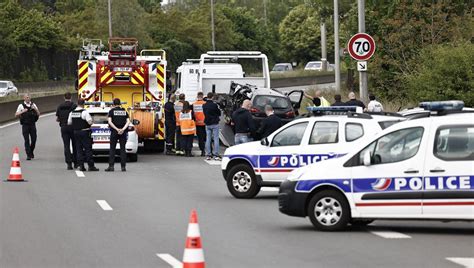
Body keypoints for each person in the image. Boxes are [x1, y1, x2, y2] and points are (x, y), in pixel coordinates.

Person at [67, 98, 99, 172]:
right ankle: (91, 166)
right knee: (88, 149)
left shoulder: (72, 112)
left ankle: (81, 166)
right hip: (85, 132)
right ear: (83, 104)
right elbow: (90, 122)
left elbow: (69, 123)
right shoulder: (84, 112)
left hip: (76, 132)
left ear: (77, 103)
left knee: (79, 149)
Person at [105, 98, 130, 172]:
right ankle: (123, 167)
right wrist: (122, 129)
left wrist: (116, 129)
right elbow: (128, 121)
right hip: (123, 132)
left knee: (112, 149)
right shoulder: (124, 111)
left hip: (114, 132)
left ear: (113, 104)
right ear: (120, 103)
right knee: (122, 149)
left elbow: (110, 122)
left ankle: (111, 166)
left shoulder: (111, 111)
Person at [56, 92, 77, 169]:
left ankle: (69, 164)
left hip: (64, 127)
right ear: (71, 97)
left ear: (64, 97)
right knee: (75, 145)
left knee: (66, 146)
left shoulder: (60, 106)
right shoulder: (74, 106)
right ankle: (76, 162)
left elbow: (57, 119)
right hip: (73, 127)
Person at [15, 94, 40, 160]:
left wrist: (35, 109)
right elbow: (16, 114)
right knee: (26, 140)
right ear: (24, 98)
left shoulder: (33, 105)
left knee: (34, 139)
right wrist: (23, 111)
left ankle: (31, 151)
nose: (28, 98)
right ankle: (28, 155)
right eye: (26, 97)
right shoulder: (21, 105)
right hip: (25, 125)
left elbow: (38, 114)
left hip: (32, 125)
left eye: (29, 97)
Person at [203, 92, 221, 161]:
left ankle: (208, 154)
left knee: (208, 139)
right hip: (215, 123)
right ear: (212, 97)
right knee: (216, 139)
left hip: (207, 123)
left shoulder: (204, 105)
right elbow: (219, 113)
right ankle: (216, 154)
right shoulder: (214, 105)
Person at [193, 92, 206, 156]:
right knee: (206, 138)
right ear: (202, 96)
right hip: (205, 123)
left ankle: (202, 150)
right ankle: (208, 150)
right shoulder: (205, 104)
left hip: (198, 123)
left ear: (197, 96)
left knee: (200, 138)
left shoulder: (194, 104)